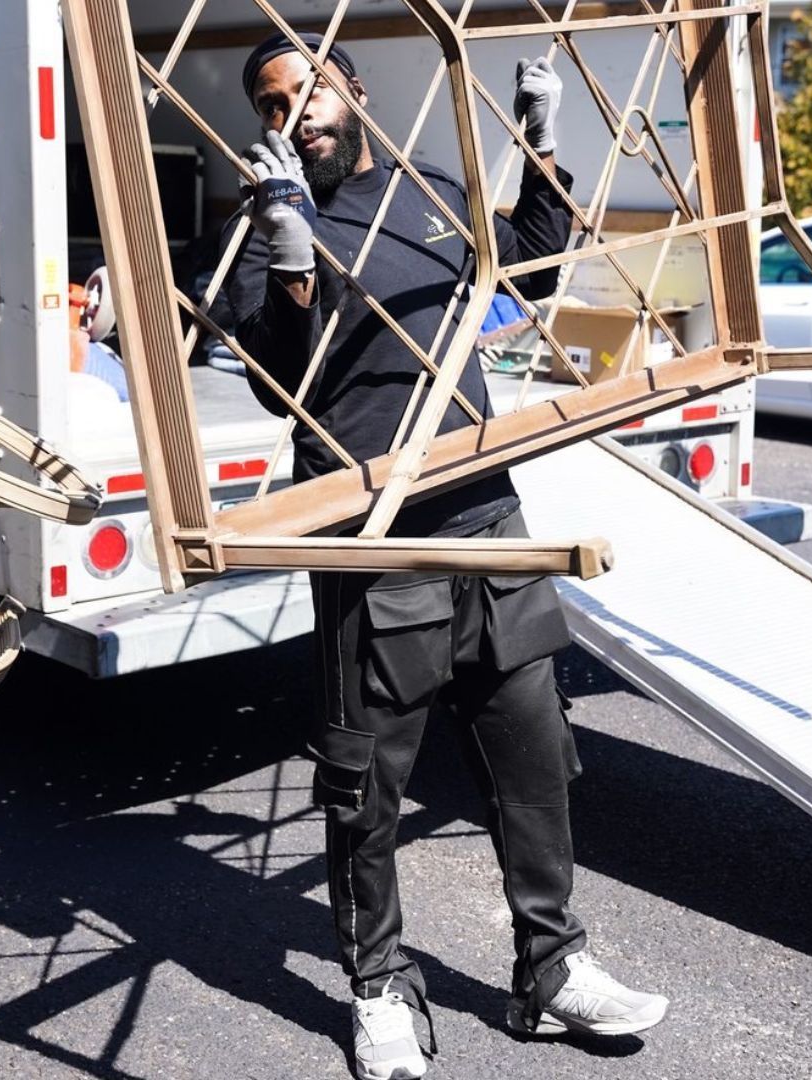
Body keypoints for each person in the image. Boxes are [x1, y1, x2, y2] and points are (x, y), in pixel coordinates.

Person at [219, 31, 668, 1080]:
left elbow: (534, 266)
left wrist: (542, 136)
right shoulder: (262, 227)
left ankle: (552, 971)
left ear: (355, 91)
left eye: (314, 88)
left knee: (536, 760)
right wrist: (286, 240)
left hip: (483, 517)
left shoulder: (426, 188)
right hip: (371, 537)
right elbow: (278, 375)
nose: (301, 112)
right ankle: (378, 989)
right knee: (364, 787)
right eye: (277, 103)